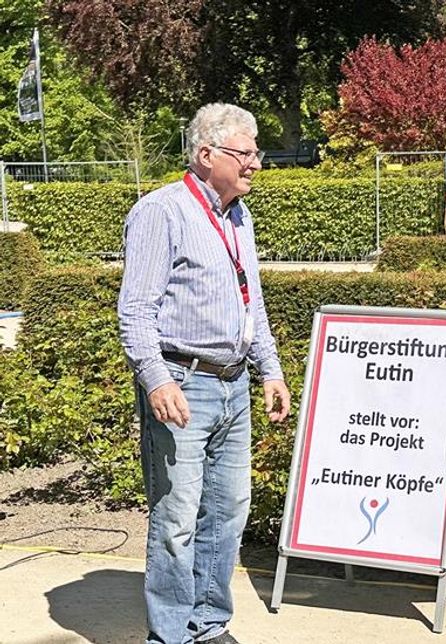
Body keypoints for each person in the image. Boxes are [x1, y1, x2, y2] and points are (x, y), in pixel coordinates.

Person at [118, 102, 291, 644]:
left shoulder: (239, 216)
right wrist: (156, 378)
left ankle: (208, 624)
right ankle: (170, 635)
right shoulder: (161, 212)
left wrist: (270, 370)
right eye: (245, 152)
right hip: (183, 383)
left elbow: (250, 303)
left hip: (234, 382)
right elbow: (135, 310)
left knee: (227, 513)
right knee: (176, 519)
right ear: (205, 154)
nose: (256, 163)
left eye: (256, 152)